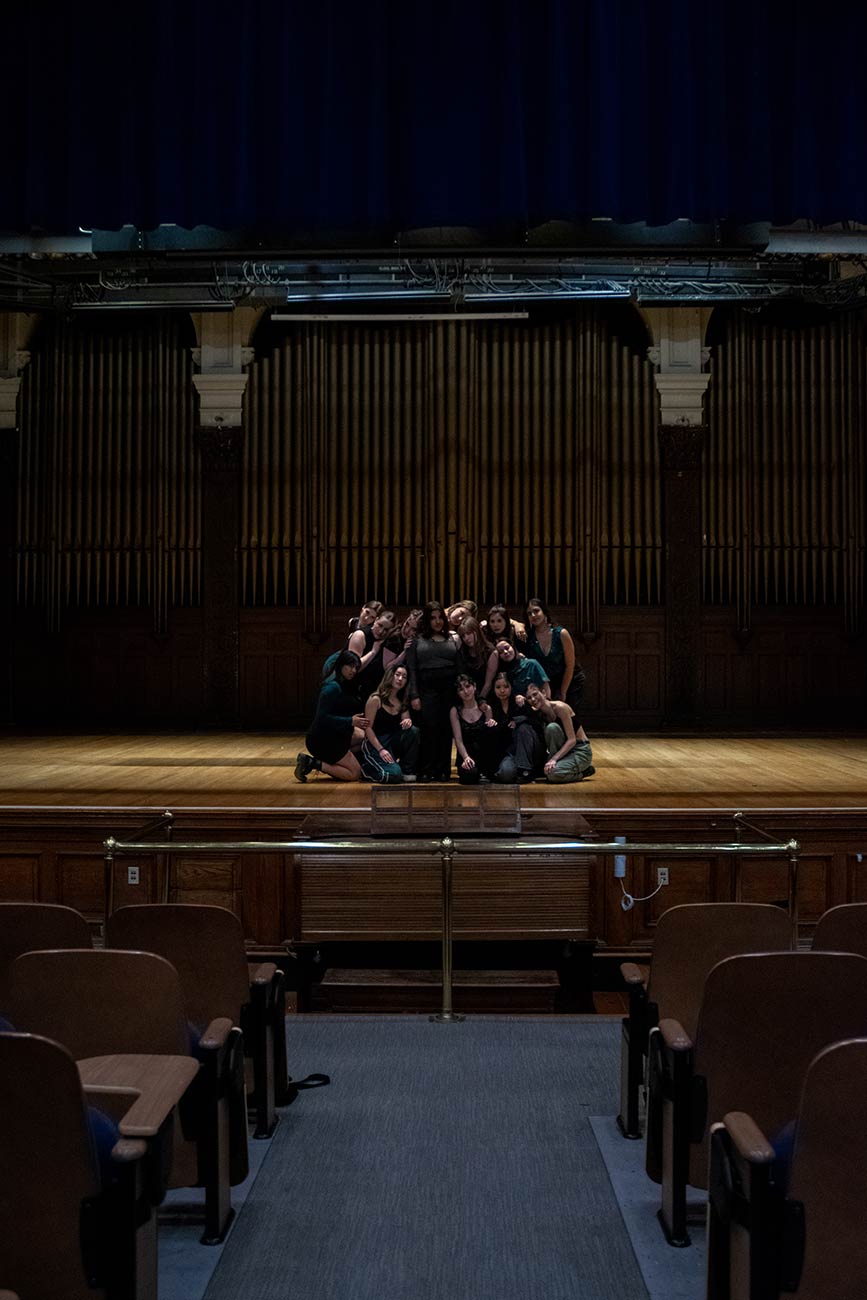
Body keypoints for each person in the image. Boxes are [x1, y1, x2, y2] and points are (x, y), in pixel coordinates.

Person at [406, 601, 460, 781]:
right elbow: (412, 669)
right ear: (427, 620)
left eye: (440, 618)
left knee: (446, 730)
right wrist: (414, 694)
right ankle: (426, 769)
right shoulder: (417, 640)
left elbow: (460, 666)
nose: (437, 622)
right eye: (433, 618)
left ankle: (443, 770)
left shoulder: (452, 638)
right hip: (426, 690)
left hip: (448, 690)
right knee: (429, 729)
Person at [295, 650, 368, 782]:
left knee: (365, 739)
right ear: (341, 666)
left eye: (356, 667)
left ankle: (337, 762)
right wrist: (350, 721)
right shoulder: (331, 688)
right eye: (350, 666)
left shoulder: (347, 684)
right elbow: (321, 719)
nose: (353, 670)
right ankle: (313, 763)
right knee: (354, 774)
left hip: (337, 733)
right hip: (323, 739)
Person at [359, 665, 419, 784]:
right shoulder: (375, 699)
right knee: (394, 776)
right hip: (376, 743)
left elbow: (406, 722)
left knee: (413, 731)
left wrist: (408, 721)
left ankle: (406, 769)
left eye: (404, 677)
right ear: (390, 676)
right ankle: (367, 769)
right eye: (397, 675)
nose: (400, 679)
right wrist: (381, 749)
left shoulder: (401, 701)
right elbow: (368, 728)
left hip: (392, 742)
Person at [524, 681, 594, 783]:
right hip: (564, 752)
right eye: (529, 698)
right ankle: (561, 767)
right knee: (543, 771)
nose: (533, 699)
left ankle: (583, 772)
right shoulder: (540, 714)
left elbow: (572, 740)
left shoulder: (560, 707)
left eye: (535, 694)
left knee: (553, 775)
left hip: (580, 750)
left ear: (543, 693)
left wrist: (553, 759)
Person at [524, 597, 585, 712]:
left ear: (544, 612)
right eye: (529, 613)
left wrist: (563, 692)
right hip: (548, 683)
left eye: (536, 611)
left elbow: (570, 666)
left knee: (568, 716)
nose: (533, 615)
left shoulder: (561, 633)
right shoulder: (528, 637)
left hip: (569, 681)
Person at [488, 670, 545, 783]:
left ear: (511, 687)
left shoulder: (519, 701)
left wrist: (518, 720)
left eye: (506, 686)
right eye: (498, 687)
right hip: (511, 751)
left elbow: (537, 722)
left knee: (523, 727)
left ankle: (526, 771)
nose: (502, 690)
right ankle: (519, 770)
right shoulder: (492, 706)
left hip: (531, 749)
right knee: (505, 775)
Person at [449, 674, 498, 784]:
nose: (466, 691)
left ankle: (487, 770)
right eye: (461, 689)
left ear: (474, 686)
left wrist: (492, 724)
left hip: (484, 756)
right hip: (466, 755)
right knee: (470, 776)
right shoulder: (455, 711)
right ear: (458, 693)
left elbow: (489, 739)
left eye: (468, 686)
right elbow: (458, 740)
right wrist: (466, 758)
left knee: (492, 729)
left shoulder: (486, 709)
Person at [479, 638, 550, 702]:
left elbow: (545, 687)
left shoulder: (531, 664)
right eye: (501, 652)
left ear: (512, 647)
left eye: (507, 648)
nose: (505, 652)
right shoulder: (503, 676)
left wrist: (547, 703)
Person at [456, 616, 495, 691]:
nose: (466, 638)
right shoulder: (463, 652)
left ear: (477, 631)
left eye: (468, 633)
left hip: (486, 695)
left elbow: (488, 683)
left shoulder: (490, 652)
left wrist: (481, 699)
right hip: (468, 694)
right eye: (463, 636)